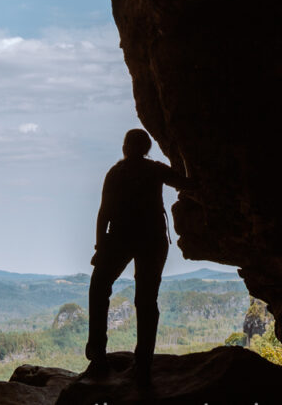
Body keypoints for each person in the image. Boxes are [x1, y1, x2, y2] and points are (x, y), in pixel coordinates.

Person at [83, 128, 193, 386]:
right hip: (152, 240)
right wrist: (183, 153)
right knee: (146, 300)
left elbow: (104, 213)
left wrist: (100, 247)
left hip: (120, 238)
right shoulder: (154, 169)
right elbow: (186, 183)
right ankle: (143, 362)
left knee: (99, 288)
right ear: (146, 147)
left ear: (125, 147)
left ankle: (98, 352)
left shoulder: (115, 173)